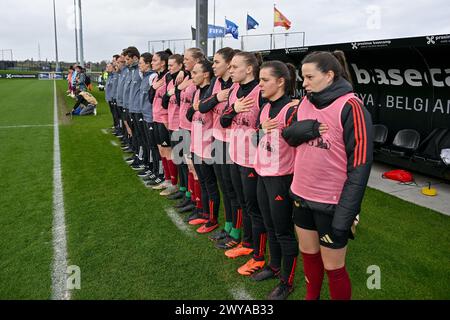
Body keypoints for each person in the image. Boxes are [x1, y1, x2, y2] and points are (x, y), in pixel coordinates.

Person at [282, 50, 373, 300]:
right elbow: (287, 136)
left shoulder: (351, 106)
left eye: (310, 77)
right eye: (303, 77)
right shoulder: (304, 103)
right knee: (308, 254)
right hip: (301, 195)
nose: (304, 83)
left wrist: (345, 215)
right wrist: (305, 130)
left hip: (332, 203)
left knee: (334, 267)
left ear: (330, 75)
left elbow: (361, 167)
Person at [253, 60, 322, 300]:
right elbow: (256, 139)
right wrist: (260, 129)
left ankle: (287, 281)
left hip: (281, 177)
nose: (259, 84)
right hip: (262, 173)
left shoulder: (292, 109)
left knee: (283, 231)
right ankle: (273, 266)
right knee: (269, 224)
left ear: (281, 81)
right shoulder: (264, 107)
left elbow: (299, 138)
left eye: (264, 80)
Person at [218, 52, 267, 276]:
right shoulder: (235, 90)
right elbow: (224, 120)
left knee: (254, 207)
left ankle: (259, 254)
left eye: (235, 67)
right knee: (242, 202)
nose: (231, 70)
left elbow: (266, 131)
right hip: (235, 154)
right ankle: (247, 243)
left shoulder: (261, 92)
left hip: (253, 161)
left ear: (249, 69)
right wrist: (234, 109)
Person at [197, 48, 239, 242]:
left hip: (232, 142)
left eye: (216, 62)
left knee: (233, 191)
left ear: (229, 64)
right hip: (217, 139)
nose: (213, 65)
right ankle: (228, 226)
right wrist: (216, 98)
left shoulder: (237, 85)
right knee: (225, 187)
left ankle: (237, 233)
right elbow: (202, 106)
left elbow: (230, 117)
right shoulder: (216, 82)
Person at [186, 59, 221, 234]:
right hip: (195, 144)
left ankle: (213, 219)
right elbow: (189, 114)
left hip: (208, 146)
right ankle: (205, 213)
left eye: (195, 73)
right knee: (204, 183)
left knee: (210, 183)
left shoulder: (211, 92)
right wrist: (193, 108)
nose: (192, 76)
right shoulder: (197, 92)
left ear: (206, 74)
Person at [149, 49, 175, 193]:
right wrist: (152, 88)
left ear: (163, 63)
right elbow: (150, 98)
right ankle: (167, 179)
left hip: (165, 118)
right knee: (161, 150)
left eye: (155, 60)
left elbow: (167, 100)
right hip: (156, 117)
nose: (152, 63)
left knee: (168, 150)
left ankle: (173, 182)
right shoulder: (155, 78)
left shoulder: (168, 78)